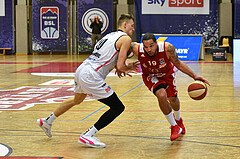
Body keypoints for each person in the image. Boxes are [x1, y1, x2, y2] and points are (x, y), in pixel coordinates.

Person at [37, 14, 138, 148]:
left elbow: (110, 60)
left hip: (82, 69)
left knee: (76, 100)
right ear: (124, 25)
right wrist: (127, 67)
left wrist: (120, 66)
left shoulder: (109, 35)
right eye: (131, 26)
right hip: (91, 74)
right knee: (118, 107)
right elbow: (120, 66)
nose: (133, 30)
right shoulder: (125, 38)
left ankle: (47, 121)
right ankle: (88, 135)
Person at [128, 33, 210, 141]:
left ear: (156, 43)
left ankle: (179, 120)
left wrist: (194, 76)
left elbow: (179, 64)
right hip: (150, 76)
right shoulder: (136, 48)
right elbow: (121, 48)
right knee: (161, 95)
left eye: (151, 45)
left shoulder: (167, 48)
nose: (149, 49)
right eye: (146, 46)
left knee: (173, 99)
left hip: (167, 74)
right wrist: (120, 66)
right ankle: (174, 126)